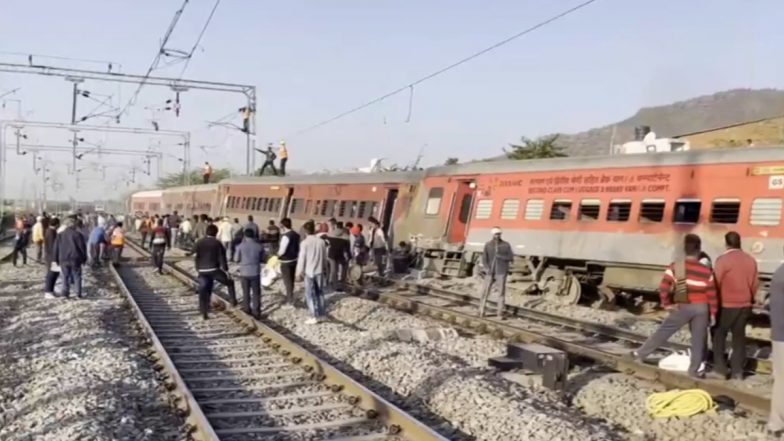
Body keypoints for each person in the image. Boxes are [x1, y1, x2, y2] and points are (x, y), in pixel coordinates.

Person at [631, 234, 718, 378]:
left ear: (685, 249)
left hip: (683, 305)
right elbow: (712, 294)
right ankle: (694, 370)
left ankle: (640, 354)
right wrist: (713, 313)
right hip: (702, 307)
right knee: (699, 338)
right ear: (699, 250)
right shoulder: (706, 271)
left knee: (664, 331)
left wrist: (667, 304)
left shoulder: (678, 266)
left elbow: (664, 286)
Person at [709, 232, 758, 380]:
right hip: (745, 305)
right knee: (739, 337)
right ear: (739, 242)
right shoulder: (750, 260)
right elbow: (755, 284)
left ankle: (720, 369)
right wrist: (750, 298)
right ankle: (738, 371)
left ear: (726, 243)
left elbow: (715, 283)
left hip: (726, 305)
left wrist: (712, 304)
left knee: (718, 335)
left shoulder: (723, 260)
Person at [194, 224, 237, 319]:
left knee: (204, 289)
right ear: (216, 233)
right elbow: (222, 258)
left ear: (206, 232)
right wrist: (226, 270)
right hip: (214, 270)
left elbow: (195, 254)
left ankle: (203, 311)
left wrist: (197, 268)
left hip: (202, 270)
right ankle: (233, 302)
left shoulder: (200, 242)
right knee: (230, 283)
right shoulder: (218, 243)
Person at [478, 227, 514, 318]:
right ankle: (481, 310)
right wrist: (486, 268)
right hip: (490, 272)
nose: (497, 236)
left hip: (501, 272)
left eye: (498, 234)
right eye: (495, 234)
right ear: (492, 234)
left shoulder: (505, 245)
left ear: (500, 234)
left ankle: (500, 313)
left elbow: (510, 257)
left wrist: (500, 256)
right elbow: (484, 258)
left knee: (501, 293)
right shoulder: (488, 245)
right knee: (485, 291)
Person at [296, 221, 328, 324]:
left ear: (305, 231)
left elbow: (302, 259)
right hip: (319, 271)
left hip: (309, 272)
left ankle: (314, 315)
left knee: (310, 294)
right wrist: (325, 269)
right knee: (320, 293)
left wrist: (298, 272)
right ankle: (322, 314)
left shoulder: (304, 243)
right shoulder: (321, 242)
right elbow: (324, 257)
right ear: (314, 229)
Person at [53, 217, 88, 299]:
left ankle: (65, 293)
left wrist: (55, 259)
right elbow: (82, 247)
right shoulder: (78, 235)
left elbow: (56, 248)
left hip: (63, 258)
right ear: (73, 225)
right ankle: (78, 293)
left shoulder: (60, 235)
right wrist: (84, 258)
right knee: (77, 276)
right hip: (75, 258)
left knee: (65, 276)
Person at [769, 254, 784, 436]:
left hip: (779, 335)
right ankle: (776, 423)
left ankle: (776, 423)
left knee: (781, 379)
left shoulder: (779, 272)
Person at [235, 228, 266, 319]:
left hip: (244, 272)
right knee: (256, 293)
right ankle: (256, 312)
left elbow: (236, 259)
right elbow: (263, 258)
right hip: (255, 271)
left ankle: (247, 309)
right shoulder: (259, 246)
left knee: (246, 292)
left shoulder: (240, 246)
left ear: (245, 235)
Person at [277, 218, 300, 306]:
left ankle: (289, 299)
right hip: (294, 260)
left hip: (286, 261)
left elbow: (282, 250)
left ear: (283, 225)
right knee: (291, 280)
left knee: (287, 281)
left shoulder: (286, 236)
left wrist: (277, 256)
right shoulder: (296, 235)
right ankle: (290, 296)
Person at [326, 222, 351, 292]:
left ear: (336, 226)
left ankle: (334, 284)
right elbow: (347, 249)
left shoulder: (330, 234)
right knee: (344, 268)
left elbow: (327, 243)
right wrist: (349, 256)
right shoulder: (346, 236)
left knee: (333, 270)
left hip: (331, 254)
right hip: (340, 255)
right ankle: (342, 283)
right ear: (342, 227)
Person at [43, 217, 61, 299]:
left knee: (55, 274)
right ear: (57, 224)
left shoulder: (50, 231)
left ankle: (51, 291)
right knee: (51, 274)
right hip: (51, 257)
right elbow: (52, 247)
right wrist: (54, 259)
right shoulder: (51, 232)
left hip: (51, 257)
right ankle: (48, 291)